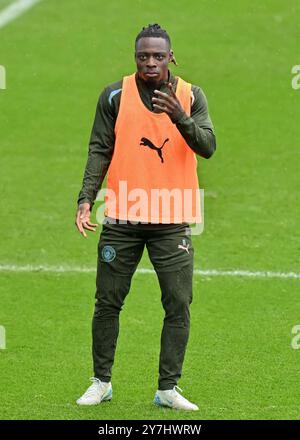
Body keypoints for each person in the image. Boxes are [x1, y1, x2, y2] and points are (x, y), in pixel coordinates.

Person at [75, 24, 216, 411]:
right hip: (122, 217)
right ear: (135, 56)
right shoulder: (114, 95)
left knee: (178, 302)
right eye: (143, 56)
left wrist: (179, 117)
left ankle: (168, 389)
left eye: (157, 56)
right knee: (107, 302)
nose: (150, 62)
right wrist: (86, 198)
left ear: (171, 57)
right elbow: (99, 149)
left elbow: (208, 147)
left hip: (172, 220)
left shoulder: (191, 96)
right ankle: (101, 382)